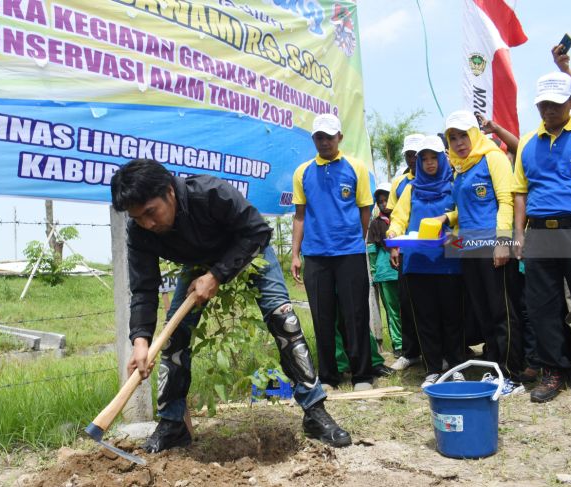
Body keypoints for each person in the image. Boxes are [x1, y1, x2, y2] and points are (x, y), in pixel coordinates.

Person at [111, 159, 352, 452]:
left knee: (284, 320)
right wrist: (140, 341)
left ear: (169, 192)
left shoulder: (211, 192)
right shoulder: (140, 232)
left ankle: (314, 412)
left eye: (151, 212)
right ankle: (173, 425)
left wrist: (216, 276)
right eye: (138, 218)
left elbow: (258, 232)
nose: (148, 223)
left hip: (248, 250)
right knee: (173, 339)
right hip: (200, 265)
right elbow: (144, 288)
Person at [512, 71, 571, 408]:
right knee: (543, 307)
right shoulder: (527, 141)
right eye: (543, 104)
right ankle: (553, 369)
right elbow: (520, 192)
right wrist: (519, 235)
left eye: (555, 103)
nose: (548, 109)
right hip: (540, 233)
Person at [438, 110, 524, 394]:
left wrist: (502, 241)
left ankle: (513, 374)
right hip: (469, 248)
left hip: (494, 244)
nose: (460, 142)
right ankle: (495, 368)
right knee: (484, 311)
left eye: (464, 135)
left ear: (475, 134)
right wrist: (447, 220)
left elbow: (506, 201)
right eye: (454, 137)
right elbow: (463, 209)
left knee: (502, 311)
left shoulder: (493, 157)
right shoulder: (459, 167)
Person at [291, 113, 375, 392]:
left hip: (350, 253)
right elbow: (299, 216)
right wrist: (295, 254)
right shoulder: (302, 172)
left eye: (329, 136)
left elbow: (365, 209)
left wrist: (359, 242)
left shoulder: (356, 167)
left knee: (355, 314)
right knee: (322, 317)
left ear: (340, 137)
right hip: (315, 255)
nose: (324, 142)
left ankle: (362, 375)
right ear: (313, 139)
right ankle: (328, 376)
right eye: (319, 137)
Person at [387, 135, 465, 388]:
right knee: (425, 317)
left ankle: (455, 365)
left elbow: (463, 214)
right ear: (418, 163)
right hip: (417, 261)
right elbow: (400, 217)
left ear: (443, 159)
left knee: (452, 316)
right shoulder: (411, 188)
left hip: (449, 260)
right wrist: (393, 233)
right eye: (425, 159)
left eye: (434, 158)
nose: (430, 164)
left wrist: (448, 218)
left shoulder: (454, 183)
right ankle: (432, 368)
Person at [388, 133, 426, 371]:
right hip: (408, 253)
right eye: (409, 155)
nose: (413, 159)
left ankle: (445, 352)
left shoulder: (441, 178)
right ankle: (410, 352)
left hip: (436, 252)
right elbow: (394, 217)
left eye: (417, 155)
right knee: (407, 301)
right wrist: (394, 247)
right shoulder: (399, 183)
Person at [367, 182, 402, 357]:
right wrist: (374, 272)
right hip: (386, 272)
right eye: (380, 201)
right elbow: (372, 250)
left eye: (386, 199)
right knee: (393, 310)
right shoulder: (375, 223)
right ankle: (398, 344)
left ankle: (414, 342)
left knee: (410, 308)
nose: (383, 203)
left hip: (406, 269)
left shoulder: (404, 218)